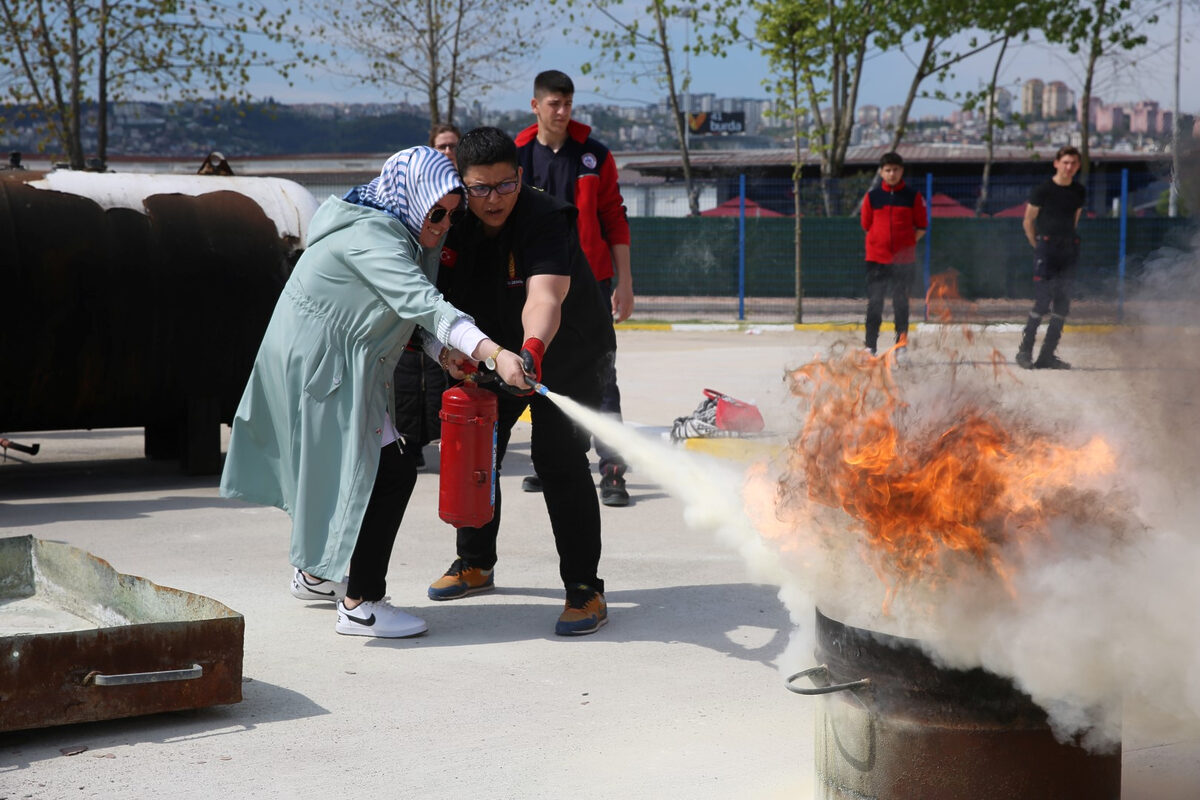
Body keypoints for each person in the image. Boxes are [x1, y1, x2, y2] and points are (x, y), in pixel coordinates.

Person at [220, 146, 528, 638]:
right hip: (326, 367)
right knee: (390, 472)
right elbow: (420, 300)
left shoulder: (399, 232)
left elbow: (403, 312)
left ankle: (316, 575)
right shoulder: (373, 237)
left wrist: (440, 351)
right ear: (412, 199)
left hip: (332, 362)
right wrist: (495, 354)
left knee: (341, 469)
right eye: (437, 212)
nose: (445, 223)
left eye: (453, 214)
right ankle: (361, 603)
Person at [428, 126, 616, 636]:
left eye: (506, 185)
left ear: (520, 176)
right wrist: (455, 352)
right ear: (462, 184)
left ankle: (584, 589)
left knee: (557, 461)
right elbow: (434, 301)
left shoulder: (546, 217)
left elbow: (545, 299)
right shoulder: (452, 219)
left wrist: (531, 351)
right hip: (492, 349)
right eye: (481, 188)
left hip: (566, 350)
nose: (495, 199)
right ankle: (475, 562)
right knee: (477, 446)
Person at [514, 69, 634, 507]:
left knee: (602, 372)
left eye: (568, 103)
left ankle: (613, 467)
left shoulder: (595, 156)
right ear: (536, 106)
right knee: (543, 368)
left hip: (592, 285)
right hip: (536, 283)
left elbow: (614, 218)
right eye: (554, 104)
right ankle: (555, 461)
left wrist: (625, 281)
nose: (562, 112)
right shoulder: (518, 156)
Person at [392, 124, 463, 468]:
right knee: (405, 376)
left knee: (439, 375)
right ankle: (410, 438)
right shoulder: (402, 219)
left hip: (440, 309)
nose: (448, 152)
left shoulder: (459, 207)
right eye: (442, 147)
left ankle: (440, 433)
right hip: (415, 309)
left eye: (453, 147)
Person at [1016, 146, 1085, 370]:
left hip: (1069, 249)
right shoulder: (1043, 190)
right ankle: (1025, 351)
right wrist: (1037, 245)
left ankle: (1047, 355)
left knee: (1062, 304)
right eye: (1065, 162)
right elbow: (1028, 221)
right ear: (1056, 163)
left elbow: (1074, 219)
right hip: (1046, 248)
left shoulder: (1078, 191)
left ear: (1078, 166)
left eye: (1073, 163)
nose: (1069, 167)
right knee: (1042, 301)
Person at [859, 151, 927, 359]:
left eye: (895, 169)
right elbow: (866, 225)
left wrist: (906, 245)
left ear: (902, 171)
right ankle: (870, 346)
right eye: (887, 170)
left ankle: (901, 345)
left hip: (903, 261)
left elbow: (922, 226)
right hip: (876, 260)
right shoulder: (872, 197)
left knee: (901, 303)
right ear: (881, 172)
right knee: (875, 303)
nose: (892, 173)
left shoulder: (913, 197)